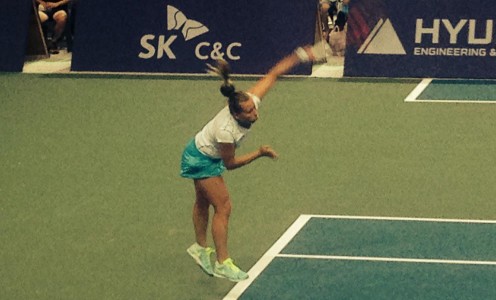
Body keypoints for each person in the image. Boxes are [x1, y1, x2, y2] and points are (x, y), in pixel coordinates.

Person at [181, 45, 320, 282]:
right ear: (235, 115)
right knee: (223, 207)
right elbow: (231, 163)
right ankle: (223, 263)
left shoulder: (249, 100)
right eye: (248, 112)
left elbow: (273, 74)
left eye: (253, 108)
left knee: (203, 200)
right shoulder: (227, 131)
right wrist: (259, 153)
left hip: (198, 148)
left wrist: (299, 56)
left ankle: (199, 248)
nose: (254, 113)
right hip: (201, 158)